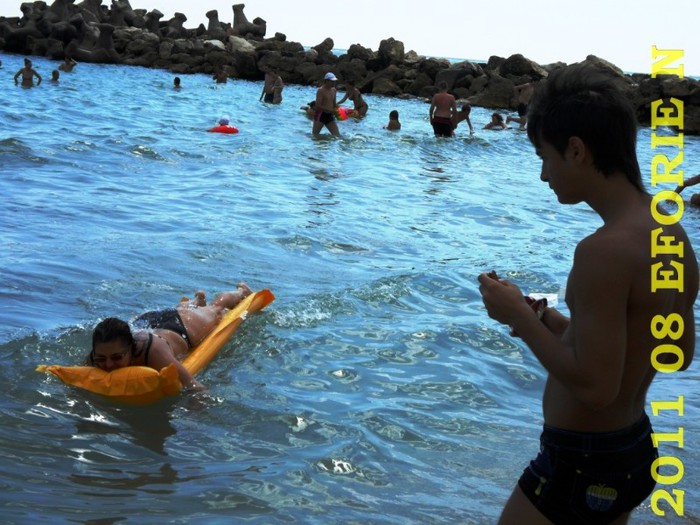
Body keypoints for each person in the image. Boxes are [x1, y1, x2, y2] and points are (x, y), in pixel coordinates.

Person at [478, 63, 698, 525]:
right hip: (631, 450)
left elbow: (596, 388)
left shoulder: (604, 251)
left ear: (576, 150)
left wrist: (517, 315)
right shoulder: (669, 232)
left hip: (581, 461)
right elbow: (673, 350)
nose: (543, 176)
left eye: (545, 157)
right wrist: (544, 321)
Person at [88, 284, 253, 391]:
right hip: (147, 321)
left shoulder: (153, 352)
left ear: (131, 349)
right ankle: (197, 300)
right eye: (101, 359)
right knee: (185, 310)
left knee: (217, 309)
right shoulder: (98, 355)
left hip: (179, 327)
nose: (108, 365)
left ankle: (241, 291)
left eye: (116, 357)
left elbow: (194, 386)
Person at [312, 72, 341, 137]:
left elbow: (334, 104)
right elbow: (318, 105)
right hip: (320, 115)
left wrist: (342, 110)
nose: (334, 83)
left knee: (337, 136)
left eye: (334, 81)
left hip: (329, 115)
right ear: (326, 81)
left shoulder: (334, 90)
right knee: (315, 136)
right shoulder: (320, 90)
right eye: (332, 81)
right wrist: (331, 111)